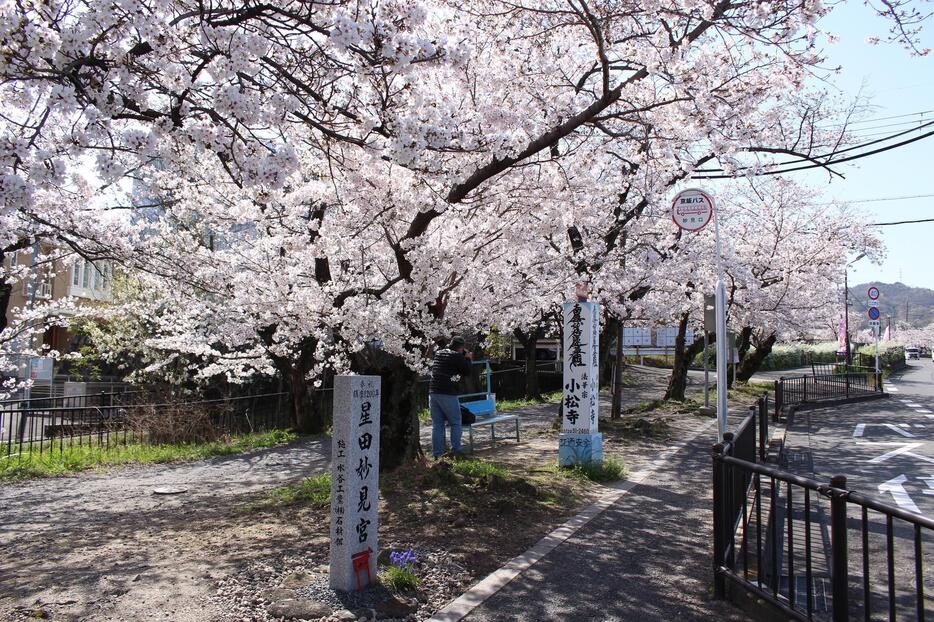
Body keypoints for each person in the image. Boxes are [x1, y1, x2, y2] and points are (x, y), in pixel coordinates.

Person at [429, 336, 473, 457]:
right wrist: (468, 359)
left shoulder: (439, 353)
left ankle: (437, 453)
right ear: (461, 348)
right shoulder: (457, 356)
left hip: (433, 391)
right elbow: (467, 371)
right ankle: (456, 451)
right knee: (455, 422)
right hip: (447, 393)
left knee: (437, 425)